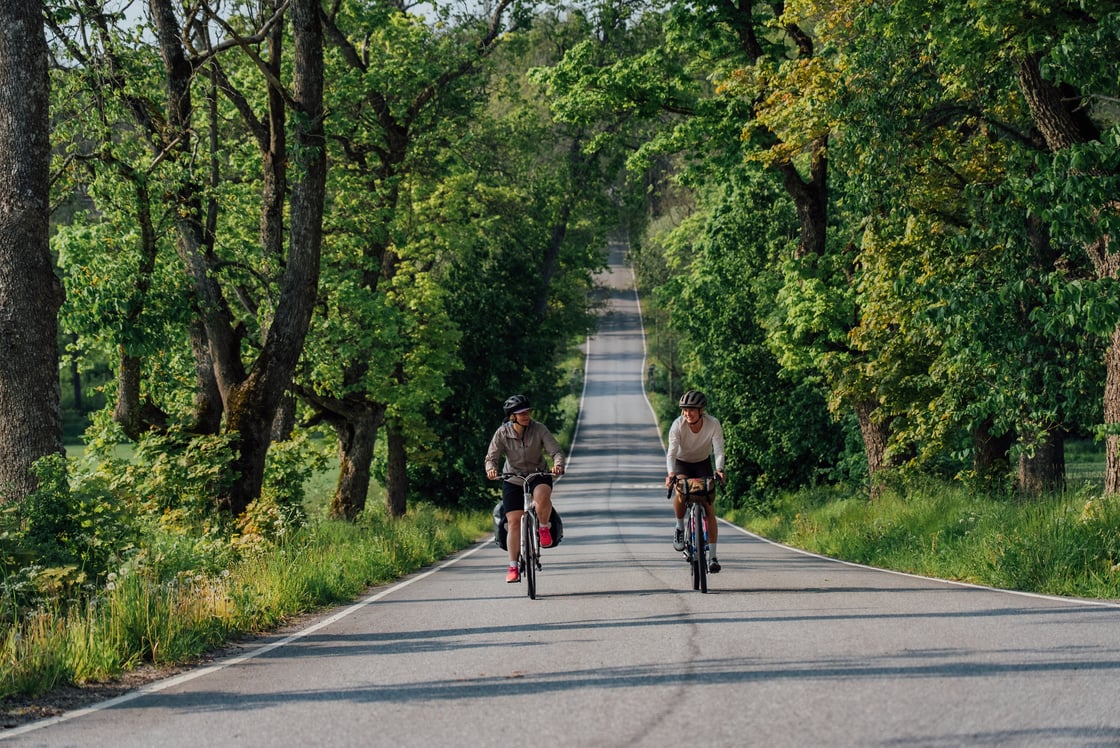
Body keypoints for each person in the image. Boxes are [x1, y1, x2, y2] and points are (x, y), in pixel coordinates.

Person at [485, 394, 565, 583]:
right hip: (512, 478)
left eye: (527, 412)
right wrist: (491, 469)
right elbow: (491, 457)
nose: (526, 415)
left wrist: (558, 464)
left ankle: (543, 528)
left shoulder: (539, 429)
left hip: (538, 475)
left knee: (541, 497)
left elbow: (556, 451)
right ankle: (513, 566)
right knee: (513, 521)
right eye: (521, 413)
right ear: (512, 416)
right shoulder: (502, 433)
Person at [665, 389, 726, 572]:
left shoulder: (713, 424)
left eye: (692, 409)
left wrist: (720, 470)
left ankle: (713, 557)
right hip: (683, 464)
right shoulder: (678, 425)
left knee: (708, 508)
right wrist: (670, 474)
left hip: (702, 464)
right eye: (685, 409)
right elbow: (671, 453)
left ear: (701, 410)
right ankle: (679, 528)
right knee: (681, 491)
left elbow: (719, 450)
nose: (687, 413)